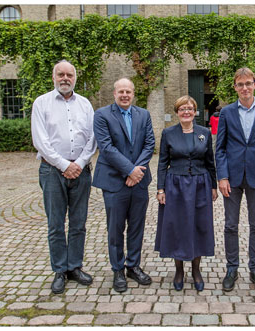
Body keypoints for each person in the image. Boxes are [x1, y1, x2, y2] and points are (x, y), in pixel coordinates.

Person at [31, 60, 97, 294]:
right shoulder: (42, 103)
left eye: (69, 74)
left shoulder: (85, 104)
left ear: (75, 78)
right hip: (51, 171)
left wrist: (78, 163)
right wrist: (63, 165)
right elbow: (40, 140)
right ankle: (59, 269)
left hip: (81, 171)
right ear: (54, 77)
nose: (65, 78)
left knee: (78, 223)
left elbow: (92, 138)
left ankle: (74, 266)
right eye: (61, 74)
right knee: (56, 224)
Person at [215, 67, 255, 295]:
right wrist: (221, 176)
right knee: (230, 225)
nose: (245, 88)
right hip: (231, 178)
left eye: (248, 83)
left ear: (254, 85)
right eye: (240, 84)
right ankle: (232, 268)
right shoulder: (227, 112)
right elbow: (220, 148)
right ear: (235, 87)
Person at [92, 78, 155, 293]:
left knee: (137, 226)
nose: (125, 95)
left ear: (133, 93)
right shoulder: (102, 115)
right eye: (121, 91)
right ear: (114, 93)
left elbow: (150, 144)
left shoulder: (143, 115)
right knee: (116, 227)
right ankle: (118, 269)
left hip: (139, 181)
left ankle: (133, 266)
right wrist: (130, 170)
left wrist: (136, 171)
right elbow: (106, 148)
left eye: (128, 91)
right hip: (113, 180)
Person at [155, 95, 218, 292]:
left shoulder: (204, 133)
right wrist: (160, 188)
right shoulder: (168, 133)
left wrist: (214, 186)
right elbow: (162, 163)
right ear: (177, 112)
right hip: (175, 185)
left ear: (195, 111)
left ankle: (196, 270)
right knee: (177, 227)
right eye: (182, 109)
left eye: (190, 108)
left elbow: (210, 161)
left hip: (200, 185)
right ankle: (179, 270)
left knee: (199, 226)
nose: (186, 112)